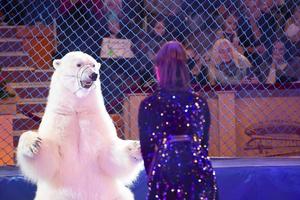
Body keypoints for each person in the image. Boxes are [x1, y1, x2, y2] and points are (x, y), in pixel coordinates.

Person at [138, 41, 218, 199]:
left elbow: (147, 149)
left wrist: (153, 177)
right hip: (198, 169)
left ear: (159, 69)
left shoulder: (149, 104)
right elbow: (203, 144)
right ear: (184, 69)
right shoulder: (199, 102)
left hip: (165, 170)